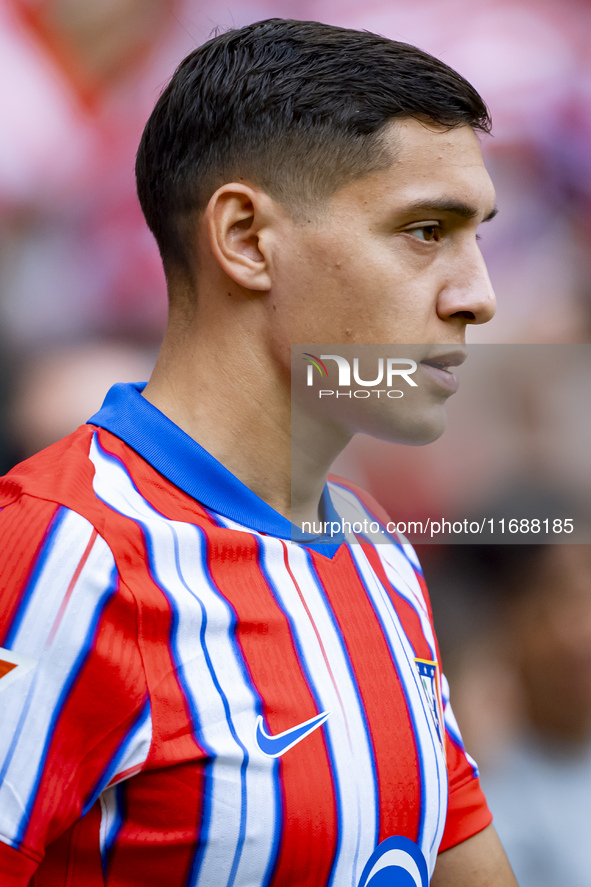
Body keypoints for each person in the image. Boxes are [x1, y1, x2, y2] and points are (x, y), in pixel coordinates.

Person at [0, 18, 517, 887]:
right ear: (244, 238)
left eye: (477, 237)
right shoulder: (62, 553)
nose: (479, 296)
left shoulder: (377, 552)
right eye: (425, 230)